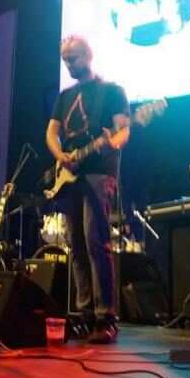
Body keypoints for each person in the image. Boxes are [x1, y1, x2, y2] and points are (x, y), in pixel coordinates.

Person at [46, 35, 130, 343]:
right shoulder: (64, 96)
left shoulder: (111, 91)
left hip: (98, 172)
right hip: (69, 175)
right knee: (77, 246)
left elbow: (123, 131)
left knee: (97, 241)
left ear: (89, 54)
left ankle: (105, 317)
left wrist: (112, 143)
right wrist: (60, 156)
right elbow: (51, 133)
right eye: (65, 60)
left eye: (73, 58)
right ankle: (84, 314)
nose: (69, 64)